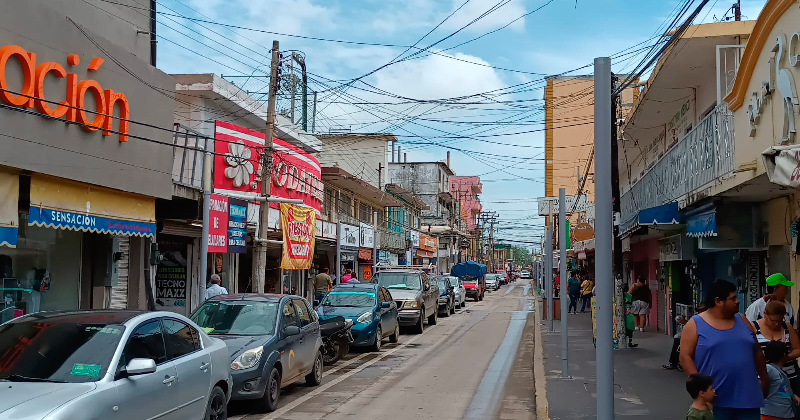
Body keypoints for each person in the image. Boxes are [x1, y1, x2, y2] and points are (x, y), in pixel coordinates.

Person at [680, 280, 768, 420]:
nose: (738, 301)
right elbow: (685, 357)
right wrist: (701, 391)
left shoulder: (743, 320)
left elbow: (757, 351)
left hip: (748, 398)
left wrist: (764, 379)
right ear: (718, 301)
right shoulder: (695, 324)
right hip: (716, 401)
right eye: (733, 298)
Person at [754, 300, 800, 395]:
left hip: (789, 376)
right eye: (773, 321)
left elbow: (798, 349)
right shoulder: (754, 327)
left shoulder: (787, 327)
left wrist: (785, 358)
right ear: (765, 314)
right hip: (764, 378)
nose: (776, 324)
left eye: (780, 321)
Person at [762, 340, 800, 420]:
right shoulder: (768, 369)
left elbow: (779, 391)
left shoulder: (781, 373)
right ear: (784, 355)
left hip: (785, 414)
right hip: (771, 415)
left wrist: (792, 396)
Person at [665, 304, 708, 371]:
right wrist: (684, 322)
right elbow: (692, 325)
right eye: (699, 310)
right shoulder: (697, 317)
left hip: (701, 337)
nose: (700, 312)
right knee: (677, 338)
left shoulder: (708, 318)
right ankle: (674, 362)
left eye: (702, 310)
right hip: (694, 335)